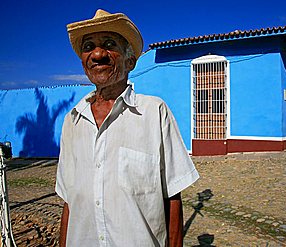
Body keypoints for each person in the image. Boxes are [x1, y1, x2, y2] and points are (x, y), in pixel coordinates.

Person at [55, 9, 199, 247]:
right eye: (88, 46)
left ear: (130, 60)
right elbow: (70, 201)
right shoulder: (73, 121)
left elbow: (172, 197)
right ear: (83, 62)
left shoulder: (154, 113)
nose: (98, 53)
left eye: (109, 44)